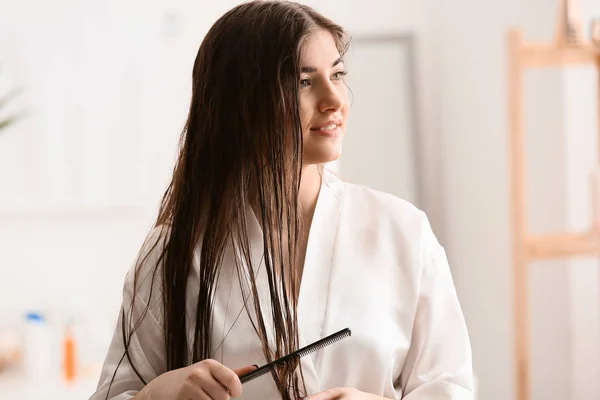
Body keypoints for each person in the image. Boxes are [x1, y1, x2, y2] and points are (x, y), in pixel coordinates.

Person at [90, 1, 474, 399]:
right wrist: (157, 395)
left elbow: (451, 388)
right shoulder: (172, 253)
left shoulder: (404, 232)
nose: (334, 100)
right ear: (240, 102)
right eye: (303, 82)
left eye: (337, 75)